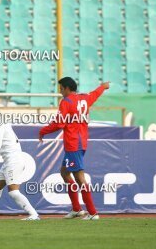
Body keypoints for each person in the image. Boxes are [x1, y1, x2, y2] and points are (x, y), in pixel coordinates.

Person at [39, 77, 110, 220]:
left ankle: (92, 212)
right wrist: (103, 87)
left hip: (73, 144)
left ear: (66, 88)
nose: (60, 91)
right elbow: (95, 94)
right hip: (81, 142)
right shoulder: (84, 98)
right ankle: (77, 208)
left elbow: (59, 124)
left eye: (60, 88)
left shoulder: (66, 102)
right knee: (65, 172)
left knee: (79, 178)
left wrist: (43, 131)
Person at [0, 101, 40, 221]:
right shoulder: (2, 122)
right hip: (10, 161)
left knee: (13, 192)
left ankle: (33, 214)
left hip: (14, 161)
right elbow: (4, 145)